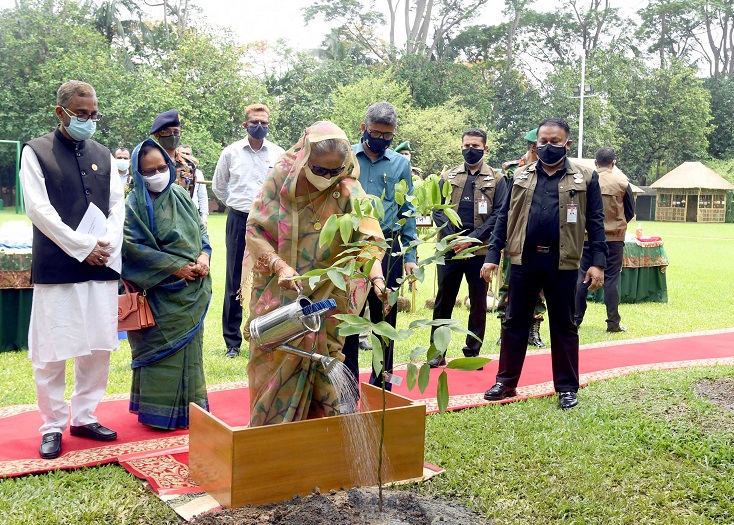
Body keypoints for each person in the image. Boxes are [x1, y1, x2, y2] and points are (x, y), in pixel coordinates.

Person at [244, 121, 386, 426]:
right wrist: (280, 266)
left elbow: (369, 239)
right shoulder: (281, 178)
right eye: (320, 170)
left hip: (328, 291)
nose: (328, 178)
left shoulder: (347, 186)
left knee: (326, 358)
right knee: (272, 353)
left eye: (335, 171)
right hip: (279, 285)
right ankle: (268, 438)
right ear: (305, 158)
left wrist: (377, 277)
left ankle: (320, 440)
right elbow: (256, 229)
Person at [20, 80, 123, 459]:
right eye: (82, 114)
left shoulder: (103, 154)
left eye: (94, 114)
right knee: (52, 349)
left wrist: (106, 244)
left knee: (97, 345)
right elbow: (38, 210)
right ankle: (51, 425)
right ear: (60, 111)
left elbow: (116, 205)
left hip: (101, 263)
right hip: (58, 264)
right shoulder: (36, 152)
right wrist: (82, 248)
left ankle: (84, 415)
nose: (89, 120)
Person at [481, 118, 607, 410]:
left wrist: (598, 262)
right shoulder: (520, 175)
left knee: (564, 324)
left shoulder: (586, 177)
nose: (548, 147)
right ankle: (506, 382)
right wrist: (491, 256)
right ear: (536, 143)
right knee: (514, 321)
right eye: (543, 142)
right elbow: (504, 217)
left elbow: (597, 221)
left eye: (555, 142)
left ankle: (566, 388)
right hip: (524, 259)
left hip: (563, 261)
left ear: (568, 144)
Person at [122, 138, 212, 430]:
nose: (157, 174)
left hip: (192, 292)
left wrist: (203, 257)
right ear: (138, 173)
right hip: (159, 295)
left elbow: (202, 232)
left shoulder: (181, 196)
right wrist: (175, 268)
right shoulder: (134, 204)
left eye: (162, 168)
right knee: (162, 356)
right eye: (149, 171)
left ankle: (190, 410)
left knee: (191, 353)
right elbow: (132, 248)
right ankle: (158, 414)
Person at [341, 102, 417, 391]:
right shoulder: (346, 157)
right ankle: (348, 382)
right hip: (350, 248)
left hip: (388, 249)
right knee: (349, 317)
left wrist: (409, 254)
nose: (382, 140)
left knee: (385, 316)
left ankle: (384, 382)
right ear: (364, 129)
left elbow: (406, 210)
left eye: (389, 136)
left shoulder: (400, 164)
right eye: (377, 134)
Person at [428, 128, 507, 367]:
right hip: (450, 249)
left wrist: (471, 240)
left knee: (478, 302)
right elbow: (437, 208)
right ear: (460, 146)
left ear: (485, 148)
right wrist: (453, 240)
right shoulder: (448, 176)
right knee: (444, 301)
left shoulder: (497, 179)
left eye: (475, 146)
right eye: (466, 145)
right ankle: (437, 351)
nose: (470, 150)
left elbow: (499, 214)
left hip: (480, 251)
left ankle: (472, 352)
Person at [213, 104, 285, 359]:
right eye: (255, 122)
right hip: (238, 219)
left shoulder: (278, 153)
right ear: (245, 125)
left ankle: (268, 334)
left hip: (268, 223)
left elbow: (283, 188)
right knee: (234, 278)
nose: (260, 127)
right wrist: (240, 207)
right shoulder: (231, 152)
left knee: (269, 277)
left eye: (265, 123)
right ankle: (232, 343)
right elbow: (219, 188)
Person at [495, 128, 547, 348]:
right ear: (534, 146)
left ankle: (533, 331)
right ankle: (505, 330)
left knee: (540, 287)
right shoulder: (511, 170)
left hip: (540, 238)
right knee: (509, 284)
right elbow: (504, 209)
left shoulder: (551, 171)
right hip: (514, 238)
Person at [575, 147, 635, 332]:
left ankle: (575, 319)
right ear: (613, 163)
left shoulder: (586, 181)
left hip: (587, 237)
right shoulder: (623, 183)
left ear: (595, 162)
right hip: (613, 238)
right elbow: (630, 211)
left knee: (582, 278)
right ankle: (613, 322)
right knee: (611, 280)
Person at [179, 144, 209, 227]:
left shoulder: (198, 174)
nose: (185, 155)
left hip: (193, 212)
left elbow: (202, 196)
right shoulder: (173, 171)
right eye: (182, 153)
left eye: (187, 154)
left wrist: (204, 218)